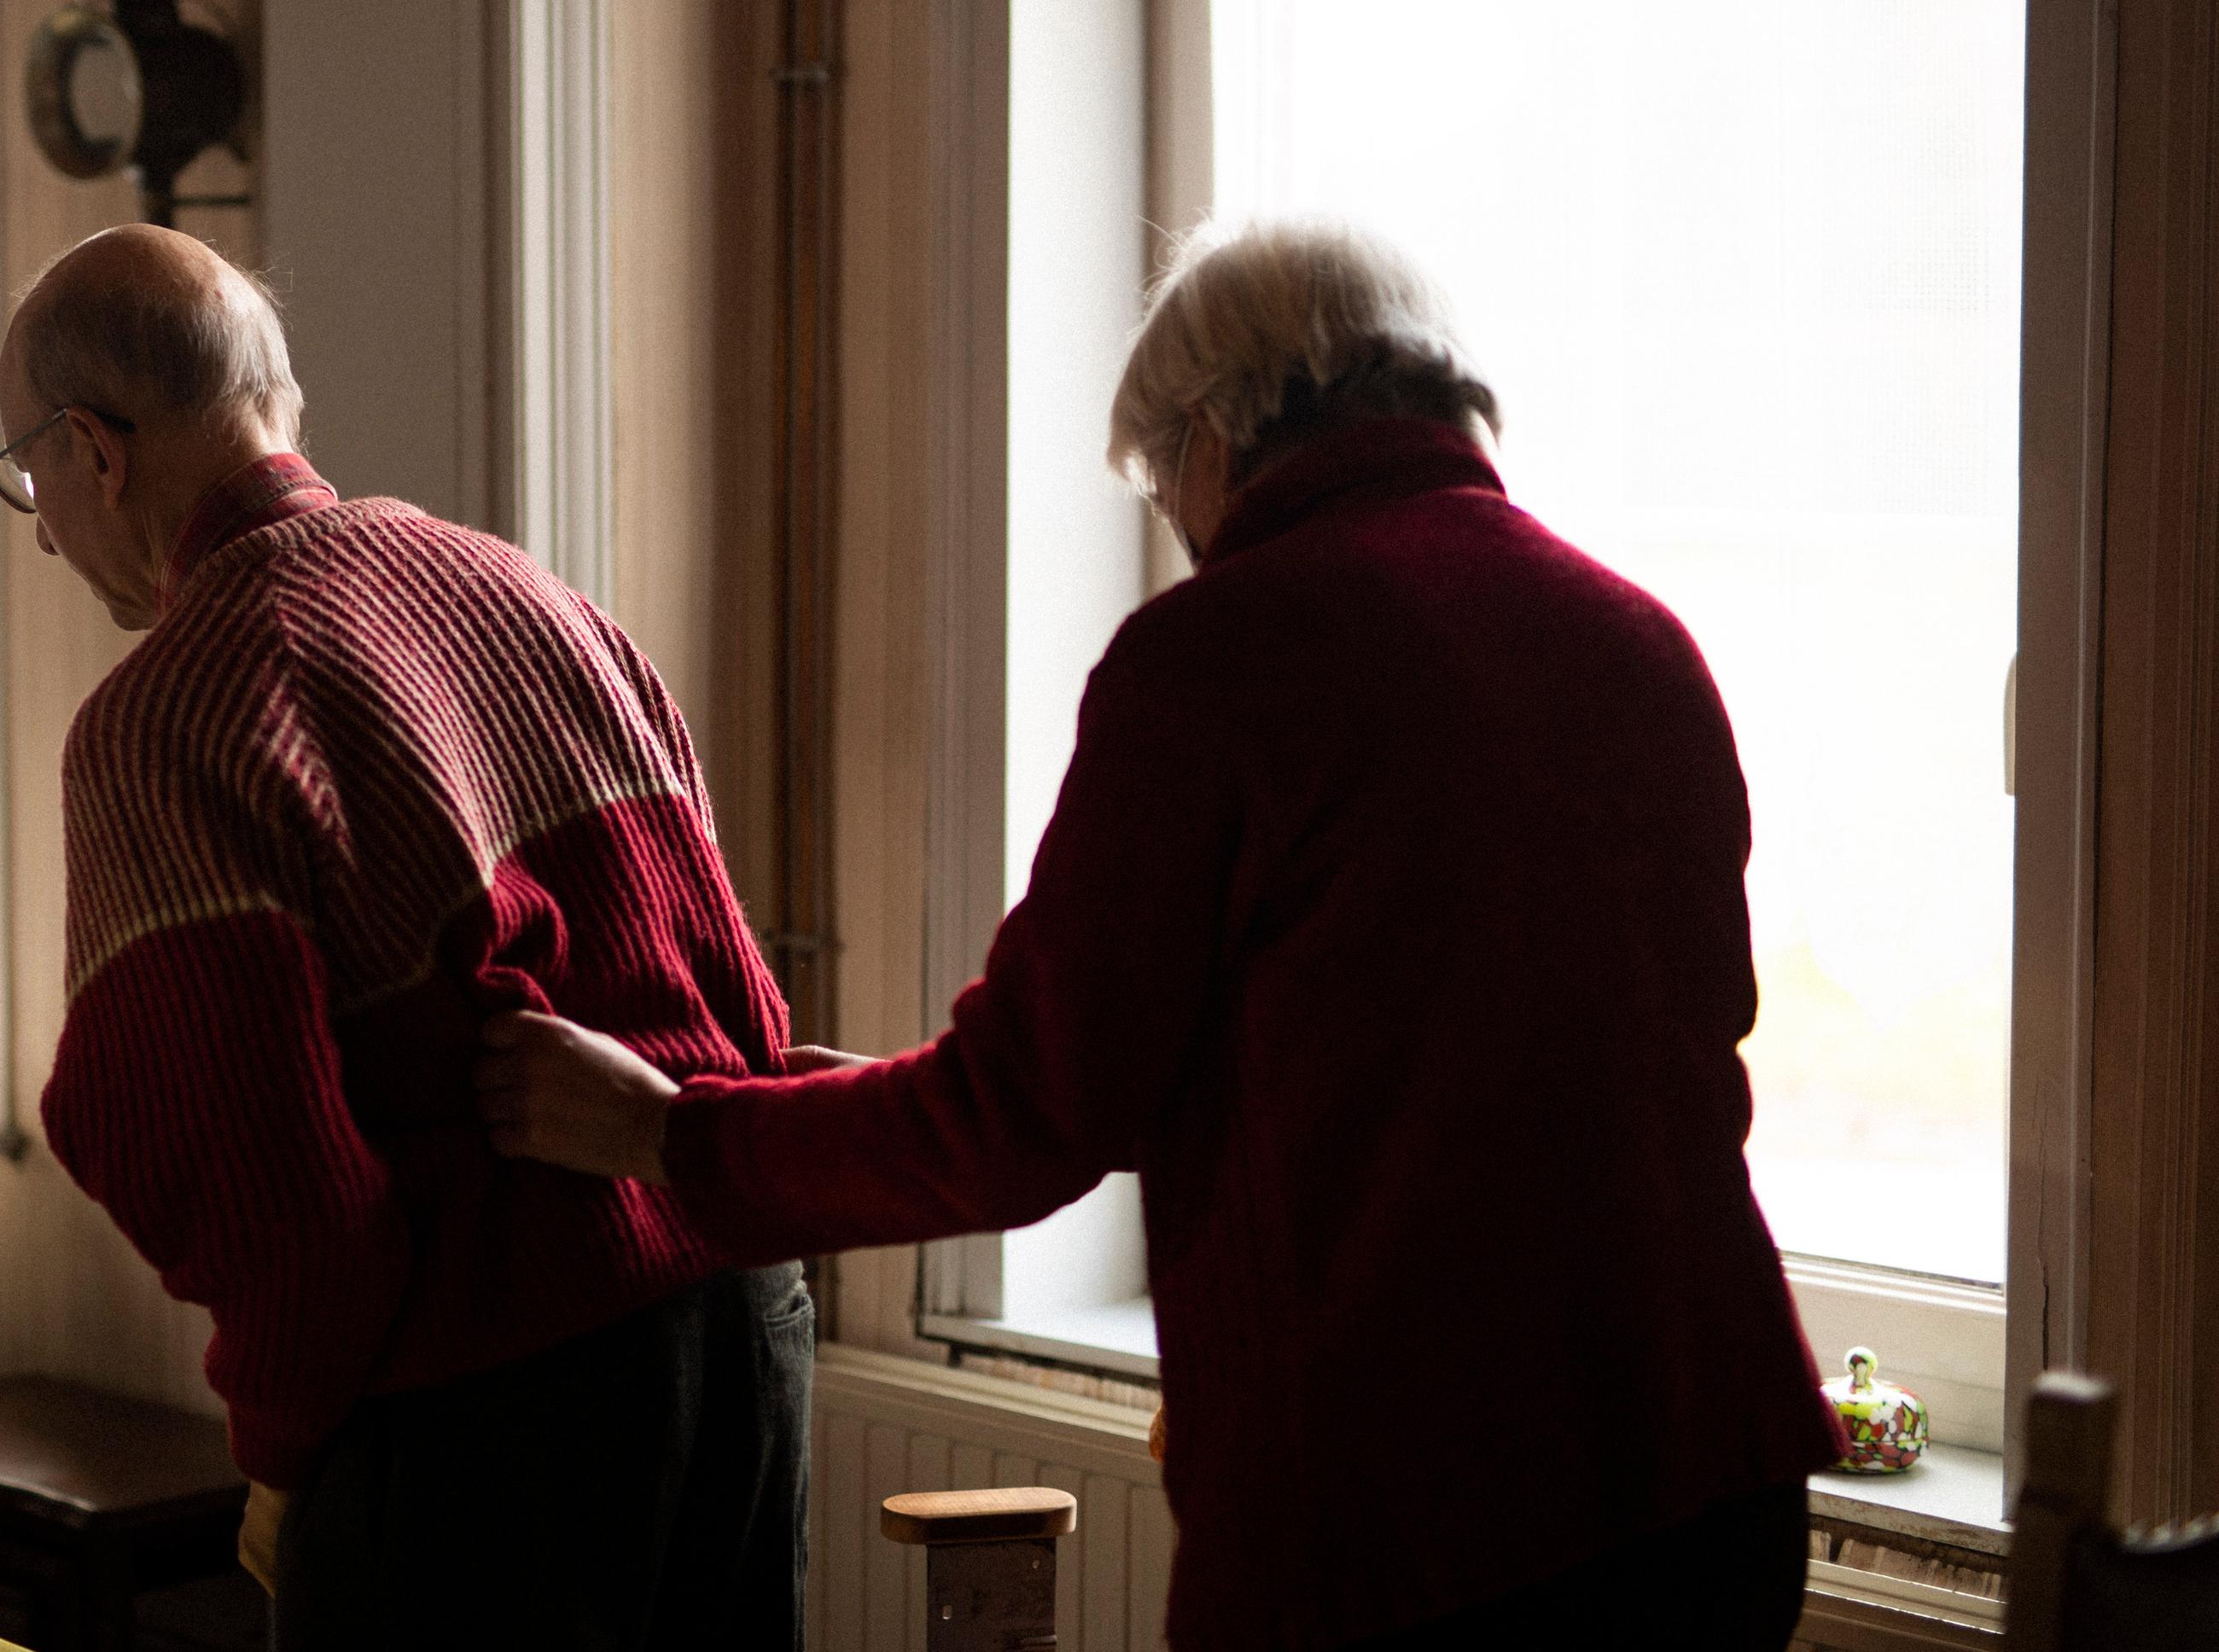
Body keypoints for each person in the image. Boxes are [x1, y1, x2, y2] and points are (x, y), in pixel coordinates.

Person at [482, 219, 1843, 1651]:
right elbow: (1485, 1044)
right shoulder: (1638, 637)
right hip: (1710, 1476)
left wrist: (664, 1134)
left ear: (1209, 436)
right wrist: (832, 1108)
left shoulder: (1223, 655)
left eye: (1159, 485)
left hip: (1410, 1515)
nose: (1180, 530)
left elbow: (1026, 1121)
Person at [0, 224, 812, 1649]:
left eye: (29, 480)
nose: (46, 529)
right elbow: (741, 1006)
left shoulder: (167, 722)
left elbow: (262, 1185)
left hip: (489, 1413)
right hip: (741, 1336)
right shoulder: (534, 600)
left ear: (93, 448)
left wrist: (285, 1453)